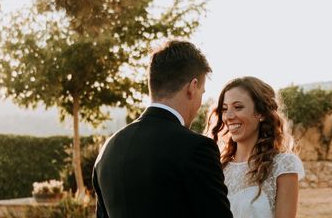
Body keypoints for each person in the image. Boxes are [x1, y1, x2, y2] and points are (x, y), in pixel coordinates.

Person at [92, 40, 233, 218]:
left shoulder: (108, 150)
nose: (200, 103)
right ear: (192, 87)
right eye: (202, 92)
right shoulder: (196, 148)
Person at [209, 76, 304, 218]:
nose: (228, 116)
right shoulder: (217, 166)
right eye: (224, 109)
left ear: (260, 113)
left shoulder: (283, 165)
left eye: (238, 107)